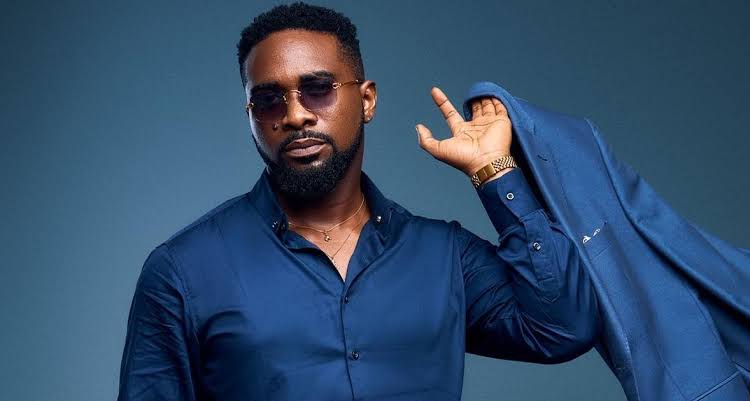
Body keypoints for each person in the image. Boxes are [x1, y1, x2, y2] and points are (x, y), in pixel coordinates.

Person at [117, 2, 600, 401]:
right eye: (268, 100)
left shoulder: (444, 256)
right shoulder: (183, 271)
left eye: (317, 89)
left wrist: (494, 171)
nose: (295, 115)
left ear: (366, 100)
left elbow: (561, 328)